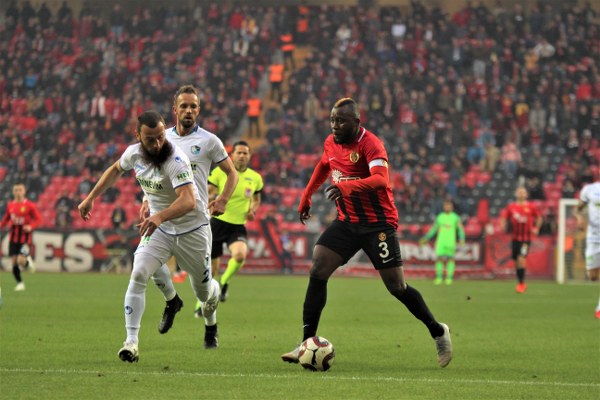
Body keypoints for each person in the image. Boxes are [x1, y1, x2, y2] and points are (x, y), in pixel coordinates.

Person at [280, 98, 453, 368]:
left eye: (341, 121)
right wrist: (306, 195)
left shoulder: (371, 144)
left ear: (356, 122)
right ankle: (306, 343)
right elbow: (324, 166)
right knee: (318, 268)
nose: (335, 125)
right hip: (348, 221)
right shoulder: (331, 142)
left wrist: (347, 188)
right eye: (332, 120)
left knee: (396, 287)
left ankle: (438, 331)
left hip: (378, 224)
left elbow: (381, 180)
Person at [78, 110, 223, 362]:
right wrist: (91, 198)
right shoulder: (134, 153)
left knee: (203, 293)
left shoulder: (175, 158)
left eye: (160, 137)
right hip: (161, 229)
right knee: (139, 271)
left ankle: (211, 306)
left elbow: (189, 201)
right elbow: (115, 170)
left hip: (193, 229)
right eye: (150, 139)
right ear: (138, 136)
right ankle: (131, 342)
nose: (157, 144)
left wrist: (159, 216)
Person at [144, 85, 238, 348]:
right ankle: (172, 300)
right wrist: (145, 199)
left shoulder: (209, 141)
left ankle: (211, 325)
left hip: (195, 224)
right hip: (163, 221)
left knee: (204, 291)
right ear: (174, 109)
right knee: (146, 265)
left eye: (193, 106)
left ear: (198, 110)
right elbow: (153, 174)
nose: (188, 110)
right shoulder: (162, 140)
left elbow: (232, 173)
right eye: (183, 106)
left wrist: (223, 199)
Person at [193, 140, 262, 316]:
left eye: (245, 153)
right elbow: (207, 191)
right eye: (239, 152)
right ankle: (200, 305)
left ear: (249, 156)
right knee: (211, 270)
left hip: (238, 226)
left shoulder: (255, 178)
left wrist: (252, 210)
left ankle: (225, 282)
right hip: (217, 223)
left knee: (240, 255)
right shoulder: (219, 172)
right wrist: (210, 197)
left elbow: (256, 199)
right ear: (232, 155)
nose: (242, 155)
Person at [500, 187, 543, 293]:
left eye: (523, 192)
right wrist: (503, 225)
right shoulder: (511, 207)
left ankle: (521, 284)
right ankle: (520, 280)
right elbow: (504, 217)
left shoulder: (531, 207)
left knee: (521, 259)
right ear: (515, 194)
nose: (521, 193)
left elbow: (539, 218)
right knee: (516, 260)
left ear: (526, 194)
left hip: (526, 239)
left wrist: (536, 228)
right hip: (514, 239)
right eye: (519, 192)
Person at [1, 183, 41, 291]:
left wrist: (31, 226)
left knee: (20, 260)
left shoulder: (29, 205)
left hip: (25, 238)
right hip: (13, 238)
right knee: (14, 262)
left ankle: (28, 263)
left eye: (20, 190)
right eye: (16, 190)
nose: (18, 192)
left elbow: (38, 219)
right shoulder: (10, 205)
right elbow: (6, 219)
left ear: (24, 191)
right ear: (13, 192)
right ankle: (20, 283)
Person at [419, 200, 465, 285]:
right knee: (439, 258)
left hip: (451, 241)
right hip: (441, 241)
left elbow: (460, 229)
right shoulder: (440, 217)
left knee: (450, 259)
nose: (447, 207)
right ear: (444, 207)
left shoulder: (455, 217)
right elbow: (434, 229)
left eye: (449, 205)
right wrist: (427, 238)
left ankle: (449, 278)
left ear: (452, 207)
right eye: (446, 205)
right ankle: (439, 277)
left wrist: (462, 238)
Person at [575, 179, 600, 318]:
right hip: (593, 239)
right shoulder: (590, 189)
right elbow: (578, 209)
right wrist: (579, 219)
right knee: (593, 276)